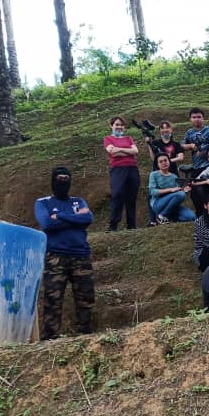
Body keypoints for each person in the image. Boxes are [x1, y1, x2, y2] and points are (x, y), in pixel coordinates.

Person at [34, 167, 95, 339]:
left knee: (86, 299)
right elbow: (46, 223)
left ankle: (86, 335)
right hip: (55, 257)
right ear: (53, 181)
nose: (63, 182)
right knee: (53, 300)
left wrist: (59, 217)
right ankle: (50, 339)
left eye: (66, 178)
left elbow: (88, 218)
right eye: (60, 178)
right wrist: (74, 218)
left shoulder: (78, 201)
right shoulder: (43, 202)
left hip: (81, 255)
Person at [103, 116, 141, 231]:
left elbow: (135, 151)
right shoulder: (108, 139)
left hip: (132, 169)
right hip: (118, 170)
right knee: (117, 194)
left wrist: (119, 149)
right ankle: (113, 225)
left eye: (121, 125)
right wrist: (128, 151)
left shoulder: (129, 138)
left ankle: (131, 225)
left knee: (131, 196)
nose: (119, 127)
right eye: (117, 125)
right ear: (111, 126)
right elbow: (112, 152)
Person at [148, 153, 195, 224]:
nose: (164, 163)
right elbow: (152, 192)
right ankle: (162, 216)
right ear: (157, 165)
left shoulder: (174, 176)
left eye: (165, 160)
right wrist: (171, 190)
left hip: (172, 206)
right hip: (158, 204)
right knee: (180, 194)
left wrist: (184, 191)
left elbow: (177, 193)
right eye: (160, 162)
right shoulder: (154, 174)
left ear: (169, 161)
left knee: (192, 217)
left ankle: (167, 216)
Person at [181, 108, 209, 174]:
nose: (196, 119)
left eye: (199, 117)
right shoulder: (189, 132)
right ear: (190, 119)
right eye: (194, 117)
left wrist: (204, 152)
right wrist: (191, 145)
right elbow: (182, 146)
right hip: (196, 166)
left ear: (203, 118)